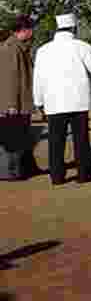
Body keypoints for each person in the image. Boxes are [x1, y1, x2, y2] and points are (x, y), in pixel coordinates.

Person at [33, 13, 91, 185]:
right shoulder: (81, 46)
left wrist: (38, 102)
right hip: (78, 101)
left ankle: (57, 177)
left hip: (53, 103)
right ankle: (84, 175)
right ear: (73, 28)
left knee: (55, 142)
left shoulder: (43, 50)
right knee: (81, 141)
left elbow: (37, 78)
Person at [0, 15, 41, 180]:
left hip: (21, 101)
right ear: (24, 30)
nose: (32, 33)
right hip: (13, 103)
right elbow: (9, 78)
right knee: (12, 138)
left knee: (23, 136)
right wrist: (10, 103)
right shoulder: (10, 48)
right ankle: (10, 172)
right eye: (31, 29)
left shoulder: (19, 47)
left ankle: (26, 168)